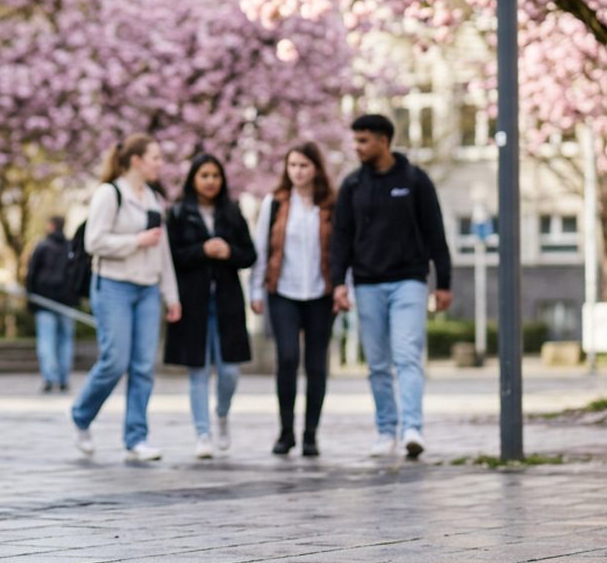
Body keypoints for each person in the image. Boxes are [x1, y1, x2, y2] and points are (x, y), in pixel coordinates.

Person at [330, 114, 451, 460]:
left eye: (363, 141)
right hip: (367, 283)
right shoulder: (352, 185)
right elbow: (341, 238)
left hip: (408, 281)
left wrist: (443, 283)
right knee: (378, 364)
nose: (357, 147)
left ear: (384, 141)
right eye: (355, 140)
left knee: (407, 356)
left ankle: (412, 428)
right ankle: (386, 430)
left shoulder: (415, 180)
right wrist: (339, 283)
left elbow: (435, 232)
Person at [71, 133, 183, 462]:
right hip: (113, 286)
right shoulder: (110, 193)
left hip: (147, 289)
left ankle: (136, 438)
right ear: (136, 160)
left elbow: (163, 250)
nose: (160, 164)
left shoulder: (153, 199)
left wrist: (171, 295)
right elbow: (94, 242)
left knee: (144, 366)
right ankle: (81, 415)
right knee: (115, 361)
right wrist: (136, 241)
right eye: (155, 158)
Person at [163, 153, 255, 458]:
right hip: (193, 302)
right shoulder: (179, 213)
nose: (210, 181)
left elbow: (249, 254)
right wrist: (202, 250)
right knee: (197, 369)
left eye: (215, 175)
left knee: (230, 371)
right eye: (204, 175)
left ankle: (222, 414)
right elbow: (171, 256)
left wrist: (229, 252)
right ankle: (202, 434)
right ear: (193, 179)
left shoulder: (232, 211)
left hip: (227, 301)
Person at [250, 142, 336, 458]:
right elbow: (262, 249)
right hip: (282, 292)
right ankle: (286, 432)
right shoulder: (275, 203)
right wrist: (255, 290)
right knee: (287, 358)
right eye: (293, 166)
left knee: (316, 364)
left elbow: (342, 249)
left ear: (316, 168)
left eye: (304, 165)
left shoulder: (330, 204)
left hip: (321, 293)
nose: (298, 172)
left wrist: (345, 288)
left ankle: (310, 434)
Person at [26, 215, 77, 393]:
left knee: (47, 340)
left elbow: (32, 272)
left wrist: (31, 296)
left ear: (51, 226)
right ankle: (63, 378)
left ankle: (49, 377)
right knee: (65, 340)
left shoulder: (42, 246)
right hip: (66, 301)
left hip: (45, 299)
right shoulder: (70, 247)